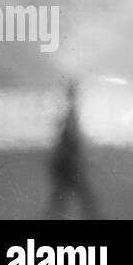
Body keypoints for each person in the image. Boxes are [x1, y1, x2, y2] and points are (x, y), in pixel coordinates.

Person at [46, 79, 100, 219]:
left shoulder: (67, 111)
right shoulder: (70, 112)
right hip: (70, 162)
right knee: (79, 193)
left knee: (63, 194)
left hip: (67, 161)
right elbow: (72, 137)